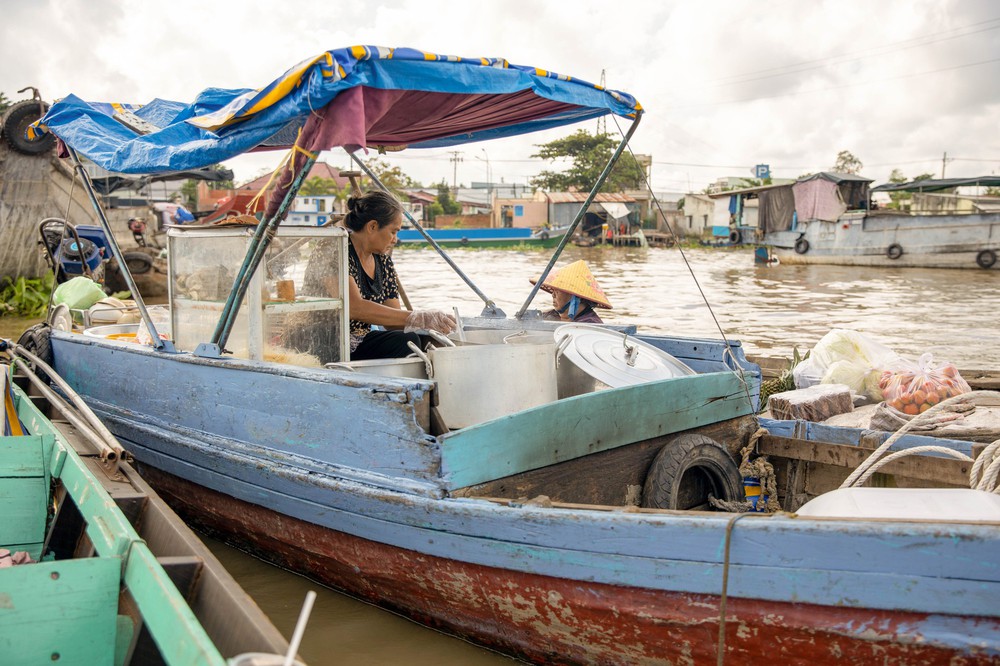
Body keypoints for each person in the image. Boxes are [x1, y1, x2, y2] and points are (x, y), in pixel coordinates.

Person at [336, 190, 455, 360]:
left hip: (361, 340)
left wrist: (431, 325)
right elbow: (354, 308)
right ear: (372, 227)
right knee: (407, 340)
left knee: (426, 340)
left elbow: (392, 320)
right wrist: (417, 317)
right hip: (331, 340)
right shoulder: (337, 250)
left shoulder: (383, 262)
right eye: (393, 232)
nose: (395, 239)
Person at [530, 260, 611, 324]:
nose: (553, 295)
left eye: (558, 291)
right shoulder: (551, 315)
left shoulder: (590, 324)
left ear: (575, 296)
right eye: (553, 290)